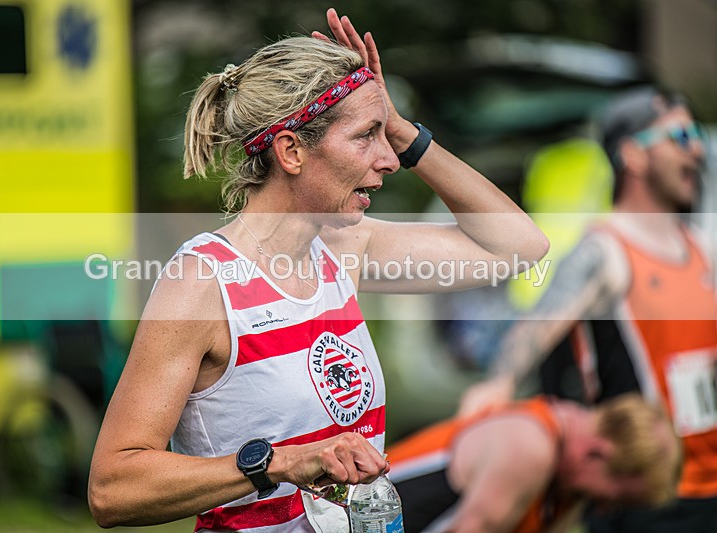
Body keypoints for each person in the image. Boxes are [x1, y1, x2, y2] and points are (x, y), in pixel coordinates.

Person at [88, 8, 548, 532]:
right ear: (291, 151)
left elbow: (520, 247)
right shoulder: (202, 283)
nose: (389, 159)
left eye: (385, 137)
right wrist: (282, 461)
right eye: (365, 136)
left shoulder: (344, 249)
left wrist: (401, 129)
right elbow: (113, 488)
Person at [459, 87, 717, 531]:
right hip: (646, 491)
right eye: (680, 136)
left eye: (695, 134)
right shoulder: (605, 250)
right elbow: (536, 327)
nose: (696, 148)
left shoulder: (698, 247)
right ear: (633, 155)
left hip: (709, 487)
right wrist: (499, 382)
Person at [387, 394, 680, 533]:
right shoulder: (530, 448)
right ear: (596, 454)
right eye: (615, 498)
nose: (603, 508)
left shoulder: (561, 482)